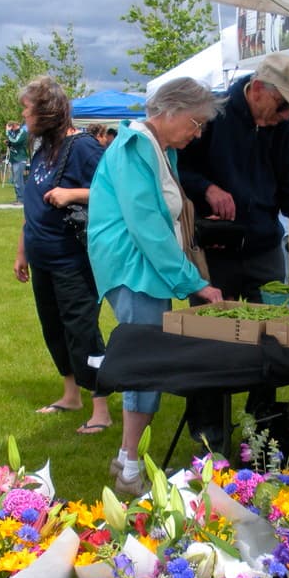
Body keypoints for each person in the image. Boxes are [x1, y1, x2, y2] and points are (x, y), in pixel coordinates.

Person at [178, 53, 289, 446]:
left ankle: (261, 428)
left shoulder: (284, 132)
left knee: (271, 338)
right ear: (258, 89)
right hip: (214, 248)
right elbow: (178, 165)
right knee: (209, 339)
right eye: (283, 105)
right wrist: (208, 189)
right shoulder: (211, 115)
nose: (286, 116)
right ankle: (208, 435)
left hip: (265, 248)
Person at [88, 77, 224, 494]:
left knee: (145, 363)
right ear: (170, 112)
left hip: (141, 269)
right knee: (144, 364)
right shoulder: (135, 149)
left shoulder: (155, 149)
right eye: (195, 122)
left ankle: (128, 460)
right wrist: (194, 282)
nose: (197, 132)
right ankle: (130, 466)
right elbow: (147, 226)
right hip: (135, 269)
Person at [12, 75, 113, 436]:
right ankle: (71, 395)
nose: (24, 116)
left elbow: (112, 191)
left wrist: (71, 195)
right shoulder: (44, 150)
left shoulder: (84, 147)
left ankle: (101, 408)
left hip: (73, 259)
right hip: (42, 258)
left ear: (47, 111)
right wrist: (23, 251)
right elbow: (32, 208)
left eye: (27, 109)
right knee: (53, 328)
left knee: (82, 331)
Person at [5, 120, 29, 204]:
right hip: (14, 159)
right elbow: (13, 143)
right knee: (16, 181)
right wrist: (8, 143)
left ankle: (21, 199)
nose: (11, 129)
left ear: (14, 125)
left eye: (11, 127)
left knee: (18, 180)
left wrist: (8, 132)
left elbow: (16, 141)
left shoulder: (22, 132)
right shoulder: (14, 133)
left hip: (20, 159)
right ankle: (19, 198)